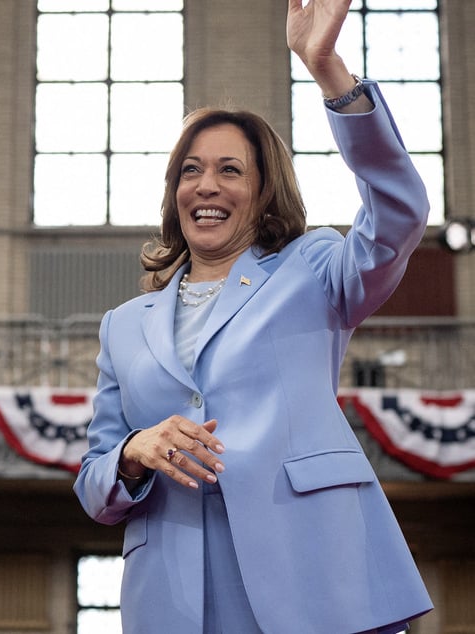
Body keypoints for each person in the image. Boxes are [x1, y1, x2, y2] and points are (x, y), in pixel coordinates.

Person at [73, 1, 433, 632]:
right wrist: (135, 450)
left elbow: (399, 215)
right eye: (191, 171)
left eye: (229, 170)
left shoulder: (314, 270)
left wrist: (329, 73)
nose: (205, 185)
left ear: (264, 191)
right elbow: (94, 482)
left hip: (315, 579)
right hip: (176, 598)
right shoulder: (124, 326)